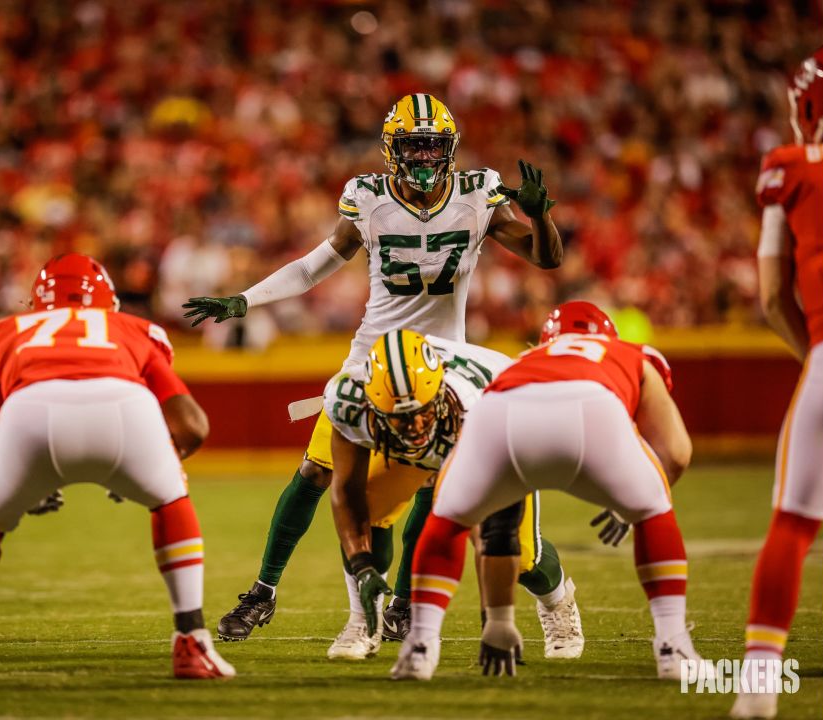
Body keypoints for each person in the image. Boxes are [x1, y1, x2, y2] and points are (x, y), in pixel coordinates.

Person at [182, 93, 563, 642]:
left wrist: (541, 214)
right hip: (371, 360)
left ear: (450, 149)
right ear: (392, 149)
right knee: (318, 472)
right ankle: (265, 592)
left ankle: (401, 603)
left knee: (433, 484)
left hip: (444, 363)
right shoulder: (369, 198)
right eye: (415, 145)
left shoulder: (480, 195)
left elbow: (547, 258)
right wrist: (247, 299)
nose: (426, 158)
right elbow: (316, 265)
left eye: (435, 146)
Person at [0, 253, 235, 682]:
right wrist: (151, 467)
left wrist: (18, 486)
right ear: (107, 302)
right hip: (125, 408)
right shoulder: (132, 329)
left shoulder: (2, 332)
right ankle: (192, 641)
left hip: (30, 408)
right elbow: (194, 426)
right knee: (172, 498)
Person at [391, 302, 696, 681]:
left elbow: (500, 524)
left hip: (500, 407)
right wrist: (634, 502)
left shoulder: (526, 357)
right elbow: (678, 453)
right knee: (654, 510)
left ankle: (420, 646)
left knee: (448, 519)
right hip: (593, 405)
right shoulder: (630, 353)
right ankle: (672, 644)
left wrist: (500, 618)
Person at [326, 329, 584, 662]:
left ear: (440, 391)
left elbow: (485, 531)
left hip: (498, 422)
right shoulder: (349, 400)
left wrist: (494, 620)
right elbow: (347, 493)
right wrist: (362, 567)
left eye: (422, 411)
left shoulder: (480, 409)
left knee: (520, 556)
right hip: (422, 437)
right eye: (401, 418)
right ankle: (362, 621)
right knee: (368, 510)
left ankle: (557, 602)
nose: (416, 426)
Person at [730, 48, 823, 720]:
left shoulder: (789, 169)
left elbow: (769, 296)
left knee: (792, 523)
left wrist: (817, 353)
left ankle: (759, 687)